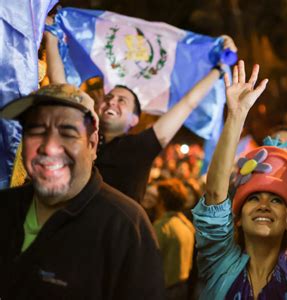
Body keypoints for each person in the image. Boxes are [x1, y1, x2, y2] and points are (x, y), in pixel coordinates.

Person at [0, 84, 164, 299]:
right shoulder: (4, 206)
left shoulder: (126, 227)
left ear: (92, 144)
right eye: (37, 131)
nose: (49, 147)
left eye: (68, 133)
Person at [192, 61, 287, 299]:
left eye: (276, 201)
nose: (264, 204)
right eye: (253, 197)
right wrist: (236, 115)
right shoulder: (219, 260)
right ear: (237, 218)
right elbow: (214, 198)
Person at [44, 25, 237, 202]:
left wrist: (219, 68)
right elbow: (61, 90)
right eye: (108, 97)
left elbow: (188, 103)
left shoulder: (140, 147)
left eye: (122, 101)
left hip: (114, 237)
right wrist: (51, 37)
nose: (112, 101)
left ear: (134, 119)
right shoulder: (81, 137)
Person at [153, 178, 195, 300]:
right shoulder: (187, 225)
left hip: (164, 290)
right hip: (182, 288)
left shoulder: (163, 227)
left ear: (162, 202)